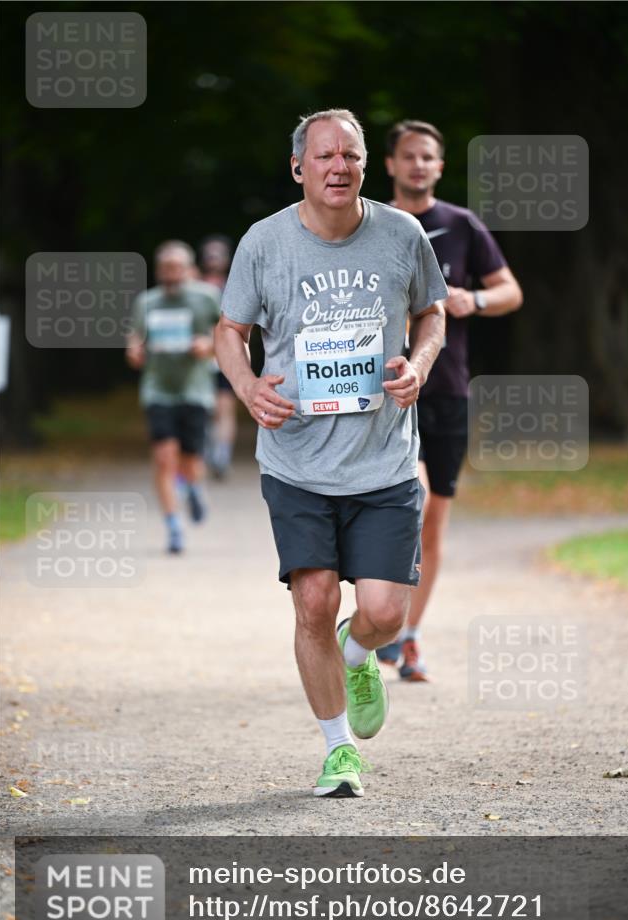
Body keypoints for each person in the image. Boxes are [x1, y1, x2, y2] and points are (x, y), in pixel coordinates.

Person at [215, 109, 447, 798]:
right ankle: (338, 750)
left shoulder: (401, 235)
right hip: (295, 460)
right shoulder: (264, 243)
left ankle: (358, 653)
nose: (337, 166)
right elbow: (230, 330)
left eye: (349, 154)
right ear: (298, 168)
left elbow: (431, 310)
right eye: (322, 156)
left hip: (381, 460)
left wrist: (421, 362)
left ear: (364, 165)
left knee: (383, 616)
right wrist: (248, 385)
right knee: (312, 600)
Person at [378, 120, 523, 680]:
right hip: (386, 393)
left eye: (428, 158)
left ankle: (408, 635)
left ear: (439, 167)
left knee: (433, 521)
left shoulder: (461, 225)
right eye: (408, 156)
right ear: (390, 164)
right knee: (409, 499)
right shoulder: (374, 224)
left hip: (447, 390)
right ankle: (380, 619)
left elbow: (512, 291)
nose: (418, 165)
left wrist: (474, 299)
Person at [126, 241, 219, 554]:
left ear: (188, 268)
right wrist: (134, 351)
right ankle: (174, 527)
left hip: (195, 389)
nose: (171, 274)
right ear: (158, 270)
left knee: (190, 459)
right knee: (164, 458)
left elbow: (228, 333)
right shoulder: (147, 302)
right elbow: (135, 339)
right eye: (165, 268)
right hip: (158, 389)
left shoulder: (205, 298)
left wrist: (208, 345)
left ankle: (193, 487)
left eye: (177, 267)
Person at [198, 235, 239, 477]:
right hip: (200, 358)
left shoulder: (236, 285)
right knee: (204, 407)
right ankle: (204, 450)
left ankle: (221, 455)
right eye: (209, 254)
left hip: (225, 355)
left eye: (218, 254)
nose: (213, 259)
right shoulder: (193, 285)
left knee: (225, 407)